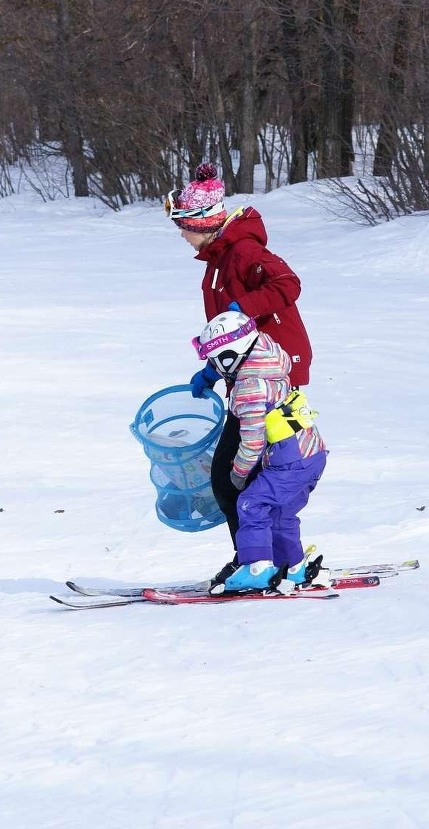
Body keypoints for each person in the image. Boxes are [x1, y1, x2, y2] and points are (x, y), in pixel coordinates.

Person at [166, 162, 315, 587]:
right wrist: (213, 371)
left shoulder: (245, 251)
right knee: (245, 476)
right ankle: (261, 560)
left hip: (270, 375)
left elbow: (288, 283)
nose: (181, 234)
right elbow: (228, 335)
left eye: (184, 225)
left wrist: (244, 307)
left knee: (236, 474)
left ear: (203, 223)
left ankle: (256, 564)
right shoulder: (218, 258)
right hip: (248, 370)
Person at [192, 310, 327, 593]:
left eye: (216, 360)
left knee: (250, 504)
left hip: (288, 463)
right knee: (281, 514)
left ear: (231, 357)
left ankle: (256, 567)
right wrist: (210, 374)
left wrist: (238, 474)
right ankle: (293, 567)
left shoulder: (248, 389)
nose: (215, 365)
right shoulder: (269, 357)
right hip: (311, 455)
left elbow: (252, 442)